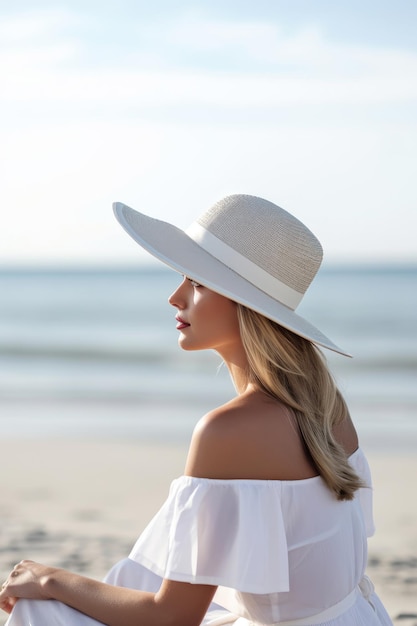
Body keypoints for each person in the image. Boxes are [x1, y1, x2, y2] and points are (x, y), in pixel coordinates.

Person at [0, 194, 393, 626]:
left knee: (39, 608)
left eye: (197, 281)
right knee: (128, 579)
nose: (175, 297)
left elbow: (173, 616)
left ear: (245, 304)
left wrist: (51, 579)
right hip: (357, 617)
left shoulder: (228, 430)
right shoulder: (325, 405)